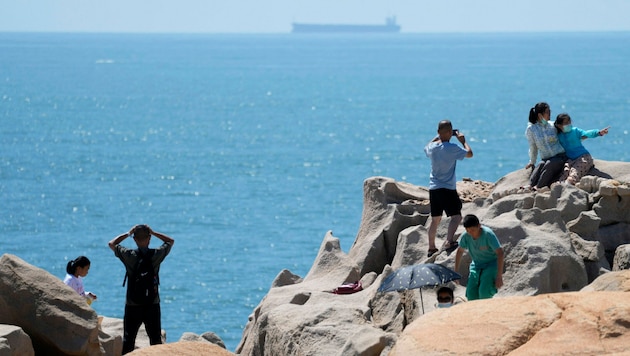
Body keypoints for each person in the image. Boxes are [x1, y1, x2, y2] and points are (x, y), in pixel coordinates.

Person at [109, 225, 175, 354]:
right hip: (152, 303)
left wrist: (128, 233)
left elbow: (112, 243)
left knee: (129, 340)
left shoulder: (129, 255)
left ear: (135, 240)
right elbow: (170, 241)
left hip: (133, 304)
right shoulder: (156, 254)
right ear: (149, 239)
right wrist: (154, 232)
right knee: (155, 340)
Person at [424, 120, 473, 257]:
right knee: (456, 217)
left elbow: (426, 147)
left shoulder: (433, 148)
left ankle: (431, 247)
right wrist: (463, 141)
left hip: (434, 188)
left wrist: (438, 137)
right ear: (450, 133)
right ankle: (449, 241)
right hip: (447, 188)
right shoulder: (452, 148)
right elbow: (469, 154)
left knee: (435, 219)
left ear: (438, 132)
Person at [454, 214, 504, 300]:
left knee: (484, 292)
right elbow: (459, 251)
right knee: (470, 294)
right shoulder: (466, 236)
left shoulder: (488, 234)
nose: (471, 233)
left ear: (479, 226)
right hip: (476, 265)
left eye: (473, 230)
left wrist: (499, 276)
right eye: (468, 230)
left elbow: (500, 253)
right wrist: (456, 272)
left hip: (491, 264)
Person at [554, 113, 609, 185]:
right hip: (570, 159)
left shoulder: (575, 131)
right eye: (566, 123)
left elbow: (587, 134)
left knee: (575, 172)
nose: (569, 124)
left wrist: (598, 132)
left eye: (569, 122)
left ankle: (569, 184)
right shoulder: (559, 135)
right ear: (559, 125)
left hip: (583, 157)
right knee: (565, 172)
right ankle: (559, 186)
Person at [525, 102, 568, 189]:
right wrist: (532, 161)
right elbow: (533, 147)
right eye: (547, 112)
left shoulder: (553, 126)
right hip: (546, 158)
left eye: (550, 111)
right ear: (540, 115)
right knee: (540, 164)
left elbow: (568, 137)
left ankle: (539, 186)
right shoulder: (531, 129)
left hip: (560, 157)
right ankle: (530, 185)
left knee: (549, 164)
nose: (550, 114)